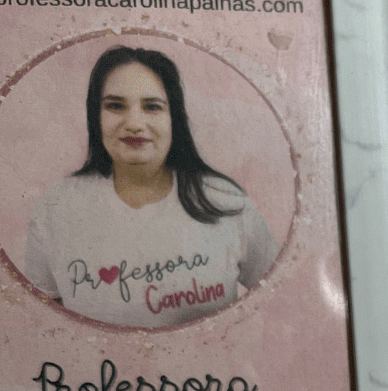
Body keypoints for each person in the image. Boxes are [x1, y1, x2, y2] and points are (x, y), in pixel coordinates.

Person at [22, 45, 278, 327]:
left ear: (174, 118)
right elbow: (45, 315)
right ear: (96, 116)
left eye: (152, 107)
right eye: (115, 106)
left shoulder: (226, 201)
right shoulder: (57, 206)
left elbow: (281, 296)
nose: (134, 124)